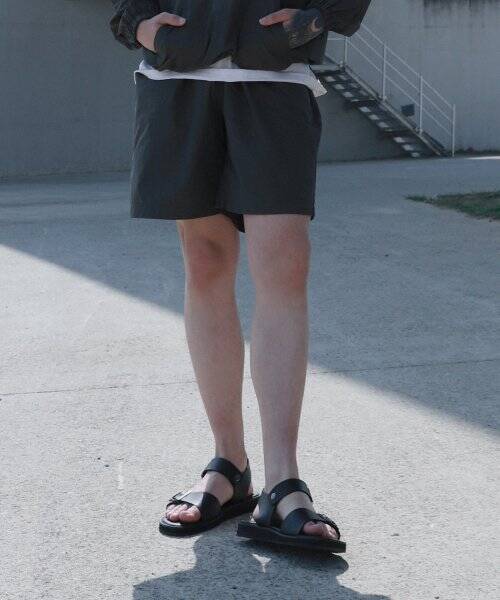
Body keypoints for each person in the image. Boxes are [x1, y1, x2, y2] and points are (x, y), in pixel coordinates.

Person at [110, 0, 371, 553]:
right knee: (205, 264)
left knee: (285, 262)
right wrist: (138, 22)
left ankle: (283, 480)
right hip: (180, 74)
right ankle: (230, 463)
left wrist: (320, 16)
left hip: (273, 74)